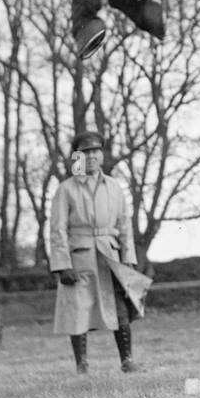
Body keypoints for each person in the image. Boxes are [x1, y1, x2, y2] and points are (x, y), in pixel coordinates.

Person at [48, 131, 152, 374]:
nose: (92, 156)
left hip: (111, 256)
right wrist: (62, 264)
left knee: (121, 308)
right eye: (86, 152)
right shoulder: (66, 189)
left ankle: (127, 360)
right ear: (77, 157)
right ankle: (81, 365)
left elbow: (125, 224)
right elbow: (57, 229)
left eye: (96, 151)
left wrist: (129, 258)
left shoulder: (114, 187)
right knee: (78, 310)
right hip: (80, 257)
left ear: (102, 154)